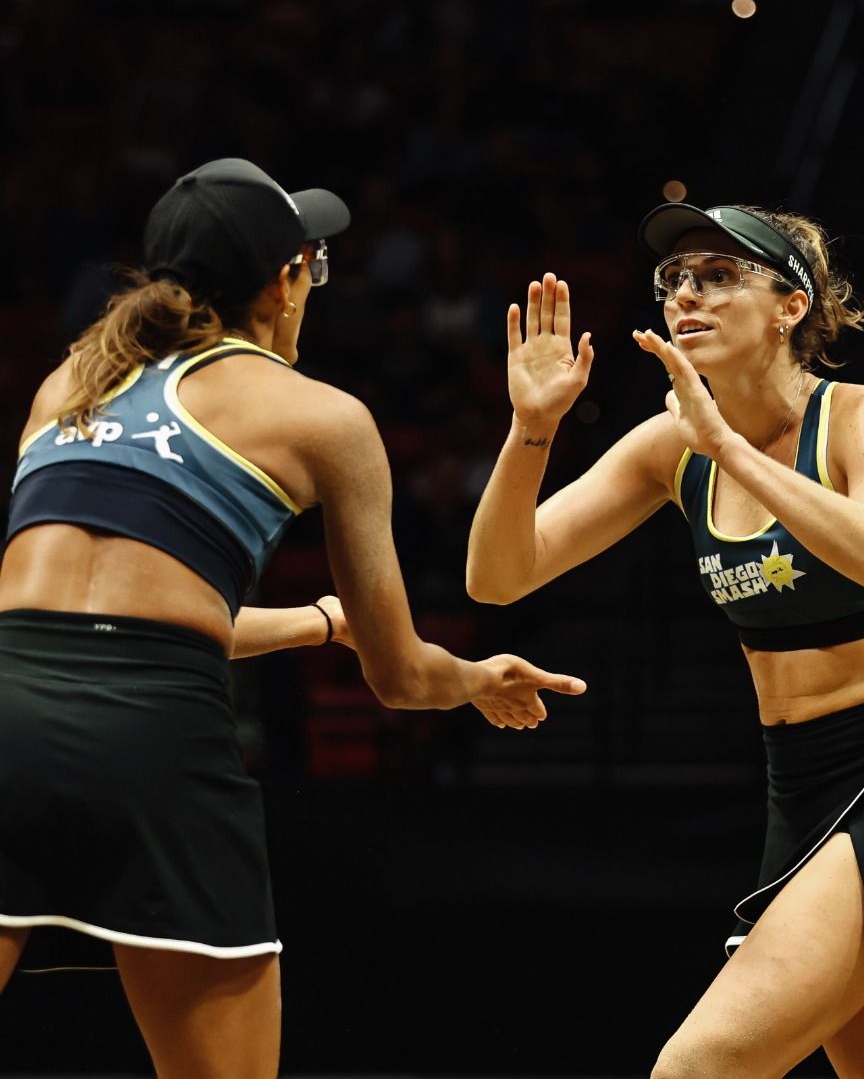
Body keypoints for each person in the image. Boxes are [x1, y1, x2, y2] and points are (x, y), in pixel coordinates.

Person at [0, 158, 585, 1077]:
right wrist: (475, 678)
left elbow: (120, 624)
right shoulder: (325, 419)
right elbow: (400, 678)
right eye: (315, 263)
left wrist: (317, 621)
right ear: (284, 281)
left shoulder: (69, 383)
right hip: (157, 739)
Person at [465, 202, 864, 1077]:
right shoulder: (672, 445)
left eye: (720, 276)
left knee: (700, 1067)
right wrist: (532, 428)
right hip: (797, 783)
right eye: (675, 280)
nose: (686, 295)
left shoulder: (859, 416)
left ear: (791, 307)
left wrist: (729, 447)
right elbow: (499, 576)